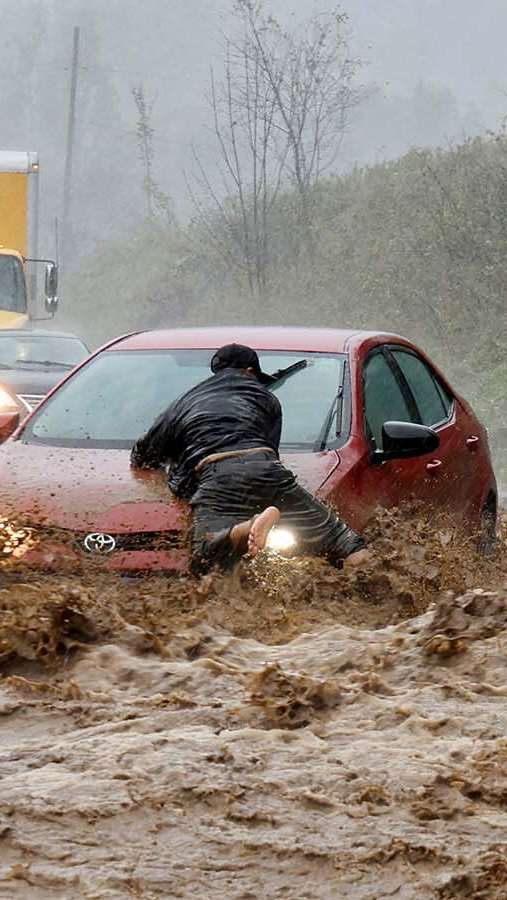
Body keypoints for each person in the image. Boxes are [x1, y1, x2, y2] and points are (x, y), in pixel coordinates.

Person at [131, 343, 370, 574]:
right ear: (249, 371)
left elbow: (142, 455)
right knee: (342, 540)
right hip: (266, 467)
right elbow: (269, 454)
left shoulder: (184, 403)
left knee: (203, 556)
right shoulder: (267, 399)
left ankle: (248, 527)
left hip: (218, 474)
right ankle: (375, 583)